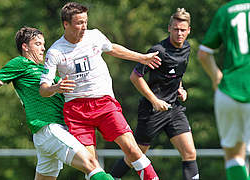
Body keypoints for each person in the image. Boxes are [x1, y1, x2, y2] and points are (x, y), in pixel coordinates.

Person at [0, 26, 115, 180]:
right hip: (49, 128)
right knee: (91, 164)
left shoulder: (48, 71)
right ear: (25, 47)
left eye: (44, 44)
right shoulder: (21, 63)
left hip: (49, 133)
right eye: (38, 44)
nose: (43, 48)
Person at [39, 2, 162, 180]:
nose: (84, 27)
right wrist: (55, 88)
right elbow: (43, 90)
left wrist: (142, 58)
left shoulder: (94, 36)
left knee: (133, 150)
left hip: (104, 104)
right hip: (77, 111)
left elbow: (113, 48)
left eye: (85, 22)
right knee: (91, 165)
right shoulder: (55, 52)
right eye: (79, 23)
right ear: (66, 24)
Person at [110, 8, 199, 180]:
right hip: (152, 112)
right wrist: (154, 101)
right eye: (175, 29)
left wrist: (180, 88)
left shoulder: (187, 48)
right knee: (135, 157)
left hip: (174, 109)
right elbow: (135, 77)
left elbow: (176, 74)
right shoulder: (159, 51)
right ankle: (112, 178)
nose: (179, 33)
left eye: (182, 30)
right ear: (169, 28)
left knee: (189, 153)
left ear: (189, 31)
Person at [197, 1, 250, 179]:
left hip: (228, 91)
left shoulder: (226, 11)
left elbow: (204, 53)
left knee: (234, 156)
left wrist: (216, 77)